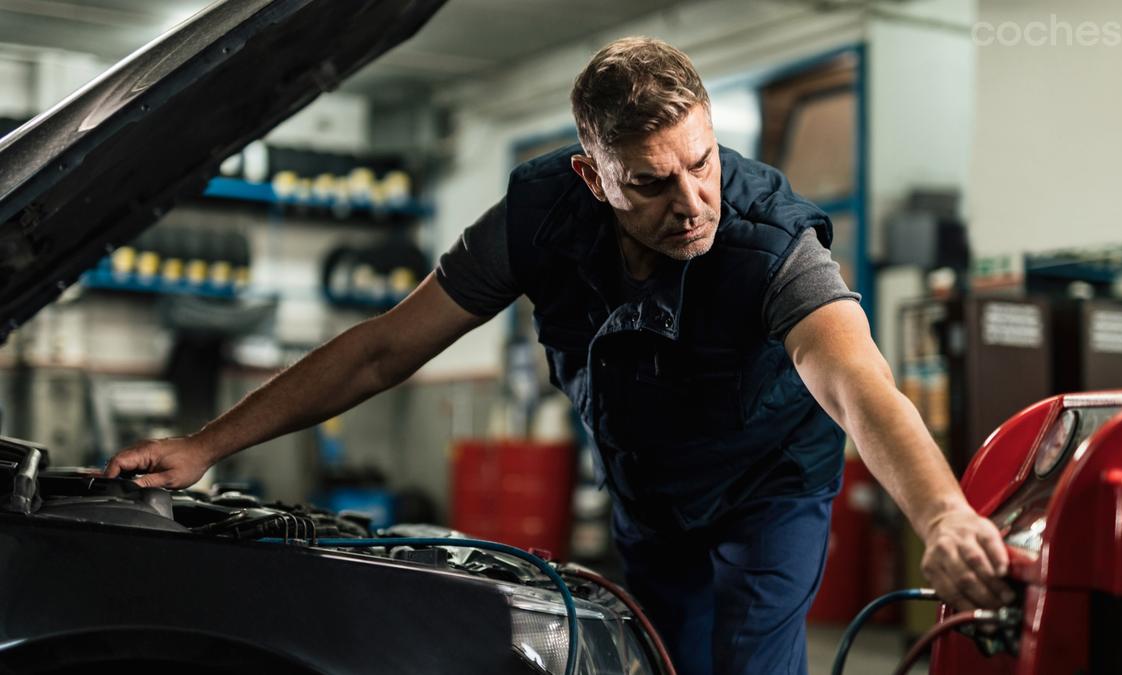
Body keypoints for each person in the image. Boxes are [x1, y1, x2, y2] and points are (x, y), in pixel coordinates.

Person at [106, 36, 1012, 675]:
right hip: (651, 495)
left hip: (769, 489)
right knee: (655, 660)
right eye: (653, 182)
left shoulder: (773, 243)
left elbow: (859, 385)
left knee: (747, 657)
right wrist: (207, 447)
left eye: (703, 161)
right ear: (594, 175)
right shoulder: (535, 221)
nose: (694, 200)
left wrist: (939, 515)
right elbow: (381, 350)